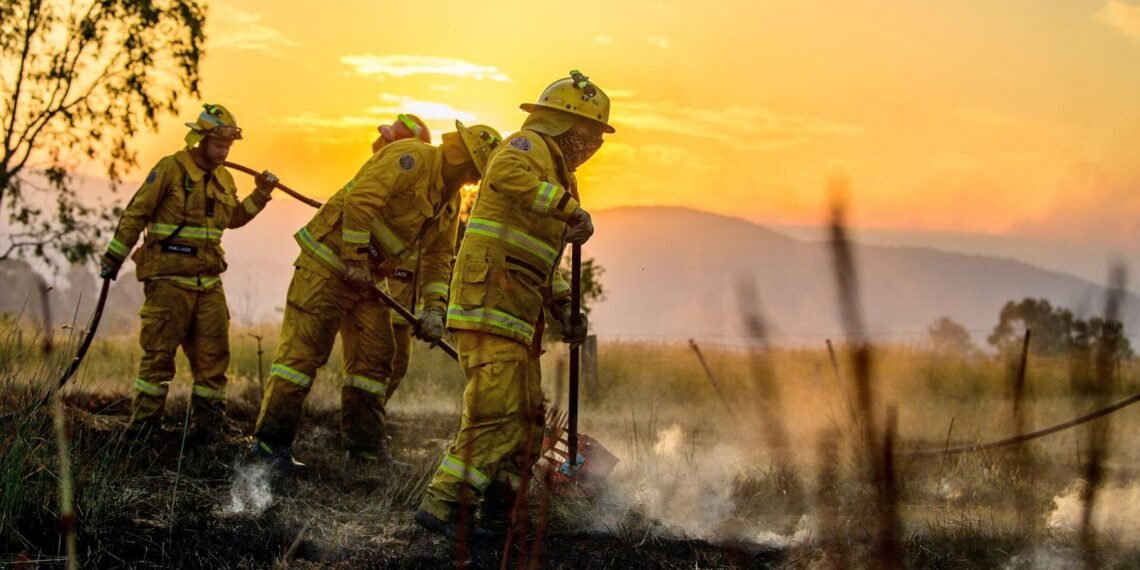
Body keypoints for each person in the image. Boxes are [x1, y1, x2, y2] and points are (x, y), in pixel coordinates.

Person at [415, 71, 613, 539]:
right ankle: (442, 508)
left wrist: (567, 309)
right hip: (490, 303)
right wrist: (568, 209)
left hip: (518, 313)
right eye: (587, 135)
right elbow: (505, 174)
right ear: (562, 123)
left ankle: (499, 514)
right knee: (496, 414)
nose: (591, 146)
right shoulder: (527, 148)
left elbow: (545, 260)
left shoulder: (563, 177)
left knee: (526, 421)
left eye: (597, 139)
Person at [250, 121, 502, 468]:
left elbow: (438, 258)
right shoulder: (409, 157)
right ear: (460, 156)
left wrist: (434, 310)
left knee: (375, 360)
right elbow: (361, 201)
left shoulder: (449, 201)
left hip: (369, 280)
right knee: (303, 355)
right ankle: (269, 446)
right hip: (329, 262)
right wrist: (353, 258)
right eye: (474, 170)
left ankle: (364, 449)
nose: (473, 179)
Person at [98, 103, 278, 436]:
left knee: (214, 362)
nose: (224, 151)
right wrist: (114, 257)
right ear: (200, 139)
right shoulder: (170, 169)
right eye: (219, 145)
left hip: (208, 283)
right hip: (168, 281)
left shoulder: (224, 178)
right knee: (159, 358)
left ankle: (207, 432)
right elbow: (136, 214)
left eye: (228, 146)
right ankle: (144, 432)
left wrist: (261, 195)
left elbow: (233, 219)